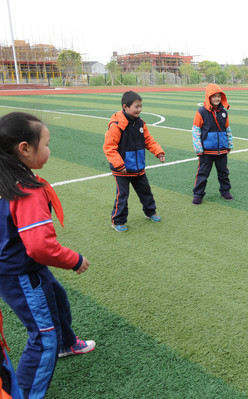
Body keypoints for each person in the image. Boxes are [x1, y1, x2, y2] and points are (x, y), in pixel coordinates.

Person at [0, 112, 95, 399]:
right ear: (24, 149)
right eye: (46, 144)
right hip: (21, 272)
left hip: (18, 266)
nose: (50, 150)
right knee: (43, 338)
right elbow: (40, 245)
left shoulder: (7, 177)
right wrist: (74, 259)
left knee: (57, 296)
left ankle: (67, 343)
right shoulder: (26, 191)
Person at [103, 90, 165, 232]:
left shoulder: (140, 123)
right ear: (125, 107)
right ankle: (117, 221)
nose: (139, 109)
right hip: (122, 169)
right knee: (122, 195)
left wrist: (159, 152)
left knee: (145, 191)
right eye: (136, 106)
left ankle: (150, 212)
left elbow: (148, 141)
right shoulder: (116, 125)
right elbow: (109, 147)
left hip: (138, 168)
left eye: (141, 106)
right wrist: (119, 165)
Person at [192, 83, 234, 204]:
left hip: (222, 149)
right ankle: (198, 193)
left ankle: (225, 191)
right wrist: (198, 148)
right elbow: (196, 130)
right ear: (208, 97)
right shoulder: (201, 112)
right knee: (203, 173)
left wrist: (229, 144)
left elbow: (228, 129)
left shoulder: (224, 112)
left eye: (218, 96)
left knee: (224, 172)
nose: (216, 98)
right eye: (214, 96)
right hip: (206, 151)